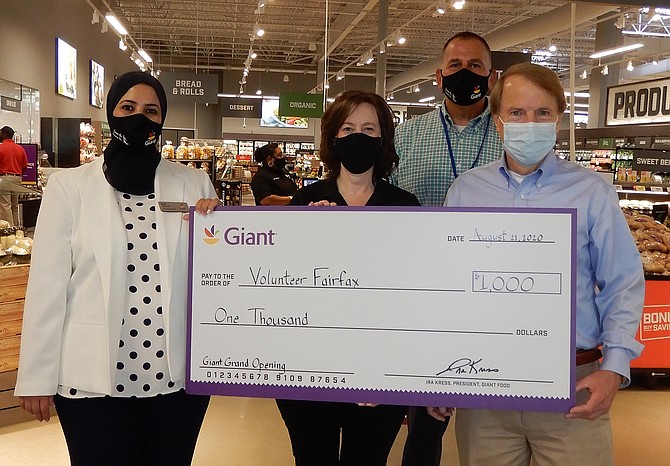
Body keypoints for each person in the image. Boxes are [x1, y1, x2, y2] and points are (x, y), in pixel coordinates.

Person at [433, 62, 644, 466]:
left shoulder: (592, 191)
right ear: (497, 121)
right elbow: (449, 288)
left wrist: (615, 368)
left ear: (559, 120)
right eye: (517, 113)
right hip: (484, 388)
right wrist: (439, 371)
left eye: (542, 113)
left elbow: (623, 281)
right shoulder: (466, 191)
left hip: (574, 383)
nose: (529, 122)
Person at [15, 71, 217, 466]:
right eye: (128, 107)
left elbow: (213, 279)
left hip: (176, 382)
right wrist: (36, 376)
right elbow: (48, 288)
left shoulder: (195, 185)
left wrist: (220, 231)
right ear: (112, 112)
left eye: (151, 110)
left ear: (162, 120)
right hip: (91, 383)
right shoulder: (69, 187)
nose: (139, 117)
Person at [277, 90, 418, 465]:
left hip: (380, 374)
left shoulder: (406, 206)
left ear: (383, 137)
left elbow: (413, 295)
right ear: (332, 138)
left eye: (369, 128)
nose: (358, 136)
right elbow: (280, 284)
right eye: (348, 127)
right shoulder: (305, 202)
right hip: (309, 373)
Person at [392, 31, 503, 466]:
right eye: (455, 65)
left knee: (493, 410)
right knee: (425, 414)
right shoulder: (407, 136)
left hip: (493, 286)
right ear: (439, 75)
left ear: (491, 77)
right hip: (423, 290)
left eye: (475, 65)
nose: (465, 73)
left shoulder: (509, 131)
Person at [0, 126, 28, 226]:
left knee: (5, 205)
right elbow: (25, 165)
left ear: (4, 134)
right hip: (17, 178)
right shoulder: (20, 149)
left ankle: (9, 230)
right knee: (14, 206)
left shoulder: (1, 147)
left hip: (4, 178)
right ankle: (16, 228)